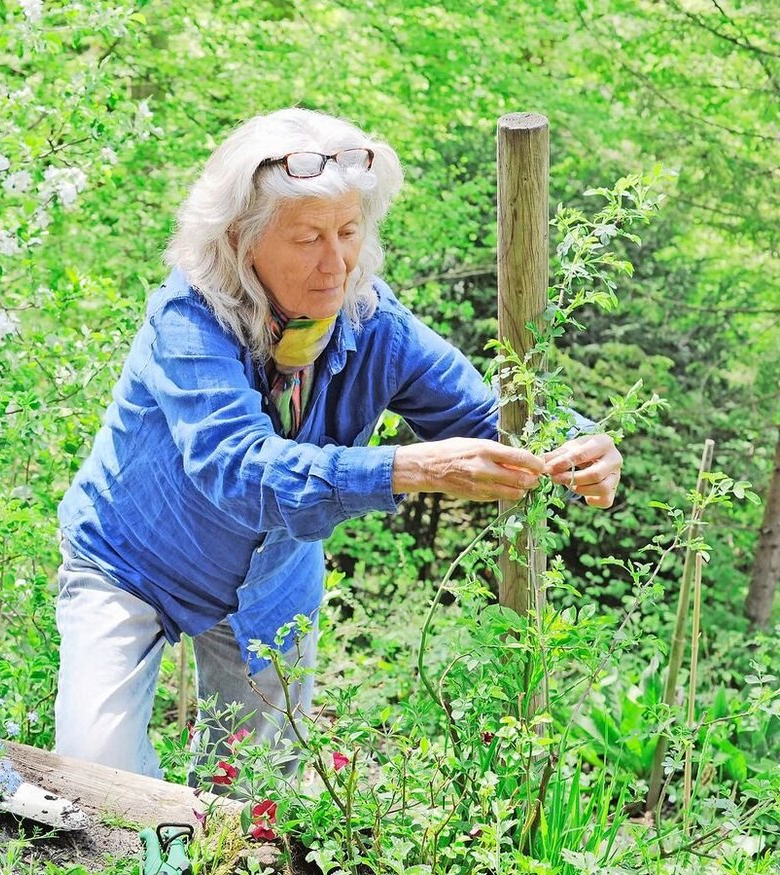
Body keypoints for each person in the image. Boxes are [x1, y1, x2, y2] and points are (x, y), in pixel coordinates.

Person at [53, 109, 623, 778]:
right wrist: (405, 468)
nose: (336, 261)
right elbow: (241, 470)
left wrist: (578, 443)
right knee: (100, 771)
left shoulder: (373, 320)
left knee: (253, 801)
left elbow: (490, 413)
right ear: (241, 238)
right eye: (307, 237)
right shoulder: (188, 318)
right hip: (133, 562)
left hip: (270, 588)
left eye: (349, 231)